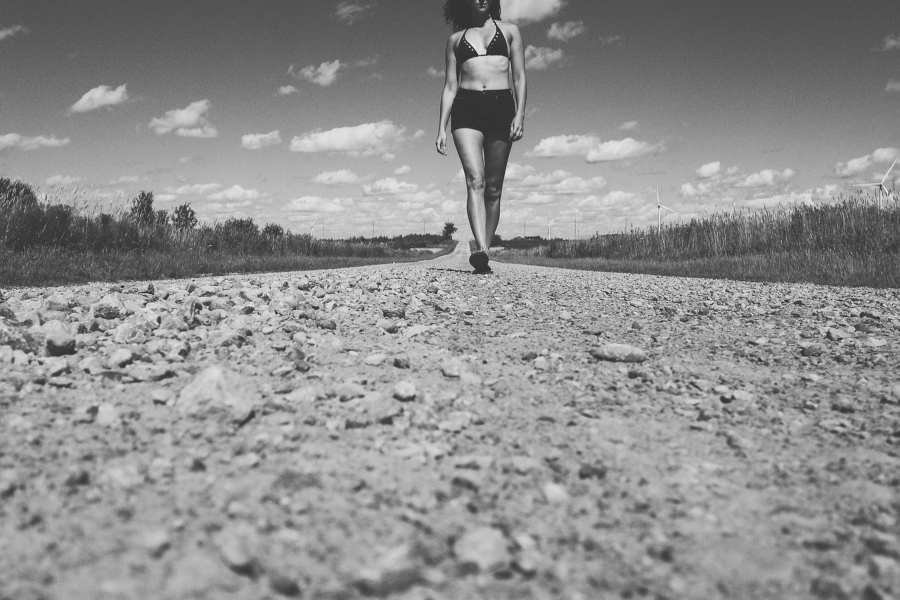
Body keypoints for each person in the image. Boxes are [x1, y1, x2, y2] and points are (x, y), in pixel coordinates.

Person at [436, 0, 527, 274]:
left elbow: (519, 77)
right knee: (474, 179)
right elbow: (450, 86)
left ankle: (484, 248)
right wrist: (441, 127)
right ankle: (482, 250)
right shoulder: (455, 40)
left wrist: (520, 114)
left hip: (502, 108)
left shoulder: (510, 31)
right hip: (466, 108)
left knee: (494, 188)